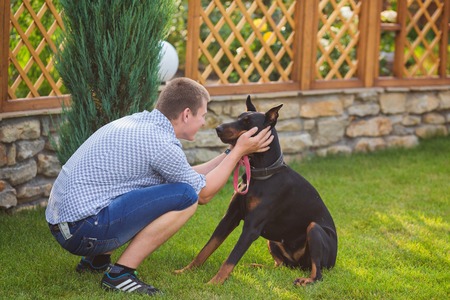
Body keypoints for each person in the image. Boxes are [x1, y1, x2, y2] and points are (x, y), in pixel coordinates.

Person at [45, 77, 273, 296]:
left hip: (66, 223)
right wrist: (240, 152)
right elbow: (202, 193)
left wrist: (231, 153)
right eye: (202, 115)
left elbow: (185, 175)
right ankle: (120, 275)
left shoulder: (144, 124)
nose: (204, 122)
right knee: (186, 197)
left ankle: (96, 261)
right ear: (186, 114)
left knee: (177, 189)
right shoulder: (161, 144)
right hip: (82, 230)